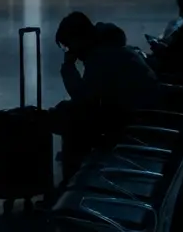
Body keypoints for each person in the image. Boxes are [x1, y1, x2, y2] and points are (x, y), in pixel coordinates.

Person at [49, 11, 160, 179]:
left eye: (69, 46)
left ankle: (71, 184)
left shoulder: (101, 57)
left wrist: (68, 67)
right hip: (143, 112)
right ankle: (72, 180)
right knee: (69, 115)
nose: (70, 51)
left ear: (79, 39)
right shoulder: (109, 49)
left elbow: (84, 99)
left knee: (72, 123)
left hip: (134, 121)